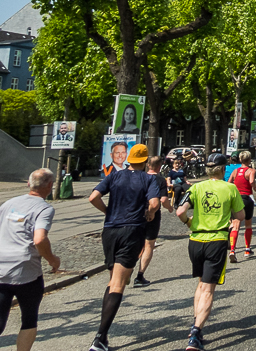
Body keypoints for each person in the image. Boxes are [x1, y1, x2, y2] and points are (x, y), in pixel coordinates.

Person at [0, 169, 59, 351]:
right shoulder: (44, 208)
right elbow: (40, 239)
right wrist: (52, 260)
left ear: (28, 183)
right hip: (26, 272)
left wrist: (3, 246)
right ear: (50, 186)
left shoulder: (9, 203)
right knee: (29, 320)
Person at [87, 143, 161, 351]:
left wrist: (108, 212)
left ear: (129, 159)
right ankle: (100, 338)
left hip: (110, 231)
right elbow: (154, 204)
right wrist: (150, 214)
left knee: (114, 281)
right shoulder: (148, 179)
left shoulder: (114, 176)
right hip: (131, 231)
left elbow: (93, 197)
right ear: (145, 161)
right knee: (119, 283)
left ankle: (103, 335)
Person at [177, 153, 246, 351]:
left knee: (201, 284)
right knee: (208, 288)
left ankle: (195, 324)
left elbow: (180, 211)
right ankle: (196, 334)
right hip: (216, 240)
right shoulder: (230, 188)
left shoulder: (196, 187)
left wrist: (190, 223)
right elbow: (240, 215)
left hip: (196, 240)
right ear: (223, 170)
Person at [134, 156, 173, 287]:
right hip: (152, 214)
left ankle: (126, 271)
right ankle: (139, 276)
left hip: (136, 213)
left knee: (134, 242)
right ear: (159, 166)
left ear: (148, 165)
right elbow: (163, 200)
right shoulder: (160, 179)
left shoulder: (139, 177)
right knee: (149, 244)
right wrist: (170, 208)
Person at [228, 150, 256, 263]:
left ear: (240, 160)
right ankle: (247, 249)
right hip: (246, 198)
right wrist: (255, 186)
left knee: (235, 225)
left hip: (236, 199)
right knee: (248, 224)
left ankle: (232, 250)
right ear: (249, 159)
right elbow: (251, 182)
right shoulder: (251, 171)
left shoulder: (235, 171)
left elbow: (229, 182)